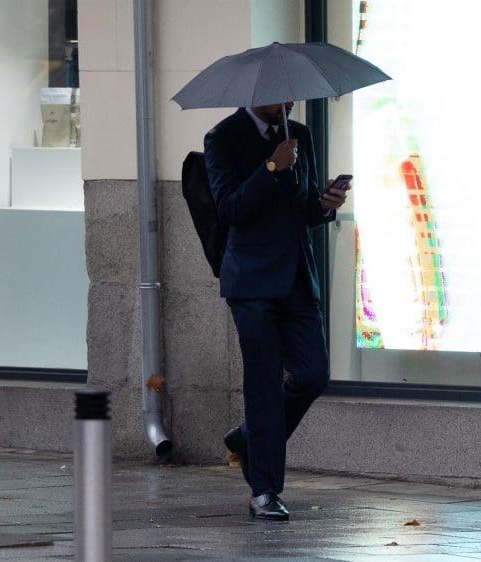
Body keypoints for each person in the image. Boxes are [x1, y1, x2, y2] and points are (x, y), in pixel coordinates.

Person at [204, 102, 349, 521]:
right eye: (280, 97)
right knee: (264, 384)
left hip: (298, 278)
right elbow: (229, 208)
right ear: (255, 94)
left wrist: (325, 203)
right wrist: (270, 167)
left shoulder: (299, 134)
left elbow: (302, 211)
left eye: (291, 98)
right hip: (251, 282)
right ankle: (265, 491)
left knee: (313, 374)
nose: (288, 104)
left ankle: (251, 438)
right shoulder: (223, 137)